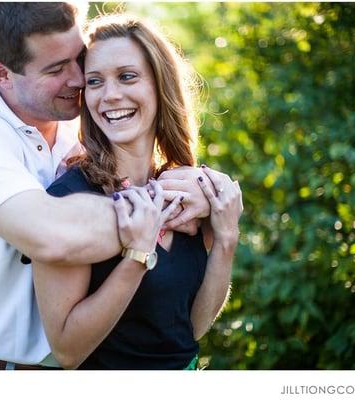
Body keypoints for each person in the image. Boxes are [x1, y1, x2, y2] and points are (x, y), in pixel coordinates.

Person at [0, 3, 215, 370]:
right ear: (3, 74)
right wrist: (171, 203)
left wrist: (205, 193)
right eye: (56, 69)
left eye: (78, 58)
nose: (78, 78)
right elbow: (54, 235)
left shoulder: (78, 136)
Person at [33, 14, 243, 370]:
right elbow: (67, 350)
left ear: (160, 86)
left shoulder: (184, 194)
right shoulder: (70, 198)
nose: (110, 95)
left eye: (127, 76)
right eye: (95, 81)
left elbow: (190, 330)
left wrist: (226, 237)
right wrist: (137, 255)